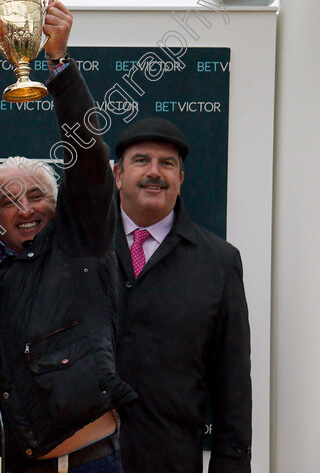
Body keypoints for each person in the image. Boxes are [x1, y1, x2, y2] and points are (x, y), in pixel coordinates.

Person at [0, 0, 137, 472]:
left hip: (89, 461)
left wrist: (59, 66)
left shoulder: (82, 242)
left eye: (36, 195)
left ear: (60, 203)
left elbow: (87, 163)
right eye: (8, 201)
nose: (25, 209)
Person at [112, 117, 251, 473]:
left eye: (167, 164)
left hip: (171, 461)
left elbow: (232, 383)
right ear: (117, 175)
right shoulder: (82, 250)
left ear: (181, 180)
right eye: (141, 160)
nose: (154, 172)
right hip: (83, 462)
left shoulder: (219, 262)